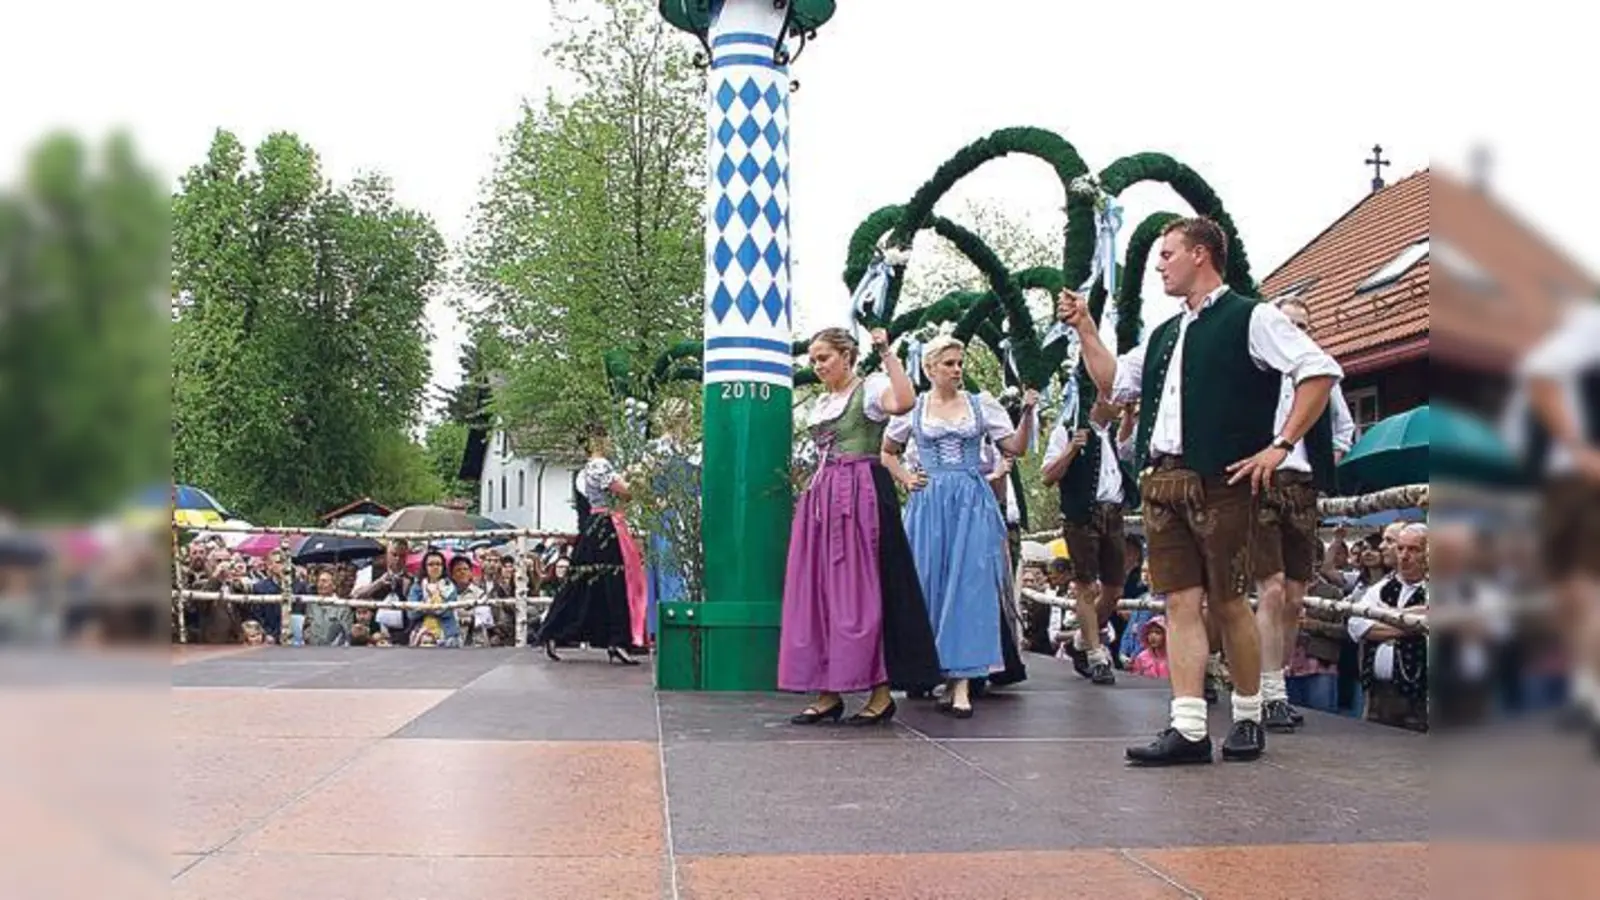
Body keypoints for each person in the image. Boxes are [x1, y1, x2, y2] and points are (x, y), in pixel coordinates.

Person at [1060, 215, 1341, 765]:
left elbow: (1319, 370)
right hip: (1164, 480)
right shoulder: (1166, 333)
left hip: (1226, 479)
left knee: (1230, 599)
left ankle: (1248, 713)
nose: (1160, 264)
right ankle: (1188, 726)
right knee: (1181, 600)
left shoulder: (1251, 317)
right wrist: (1087, 329)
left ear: (1201, 255)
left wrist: (1281, 444)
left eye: (1168, 253)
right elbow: (1114, 384)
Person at [779, 327, 940, 725]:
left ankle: (881, 692)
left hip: (860, 496)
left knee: (865, 591)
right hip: (821, 498)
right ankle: (828, 691)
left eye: (824, 357)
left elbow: (904, 402)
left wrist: (886, 351)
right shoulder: (822, 402)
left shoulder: (870, 389)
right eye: (813, 360)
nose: (817, 366)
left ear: (847, 356)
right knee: (820, 591)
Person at [881, 335, 1037, 717]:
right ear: (930, 368)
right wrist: (905, 478)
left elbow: (1013, 448)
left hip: (971, 498)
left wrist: (1028, 415)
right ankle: (938, 672)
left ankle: (964, 681)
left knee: (970, 586)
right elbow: (887, 451)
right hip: (930, 501)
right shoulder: (914, 408)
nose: (957, 369)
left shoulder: (981, 405)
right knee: (930, 584)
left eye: (959, 362)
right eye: (949, 363)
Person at [1254, 296, 1357, 732]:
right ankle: (1267, 690)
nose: (1296, 331)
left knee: (1296, 595)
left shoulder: (1320, 374)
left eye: (1303, 325)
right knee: (1271, 589)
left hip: (1301, 484)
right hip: (1261, 482)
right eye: (1289, 323)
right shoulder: (1257, 372)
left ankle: (1277, 682)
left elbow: (1345, 430)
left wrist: (1323, 462)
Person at [1514, 296, 1600, 751]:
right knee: (1573, 592)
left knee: (1583, 590)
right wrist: (1576, 445)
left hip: (1572, 479)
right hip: (1568, 478)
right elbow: (1542, 379)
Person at [1040, 397, 1139, 686]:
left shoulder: (1114, 432)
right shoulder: (1068, 431)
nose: (1120, 401)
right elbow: (1047, 476)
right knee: (1086, 585)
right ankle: (1096, 655)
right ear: (1096, 400)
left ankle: (1082, 639)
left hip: (1114, 514)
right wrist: (1071, 450)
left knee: (1115, 588)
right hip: (1083, 515)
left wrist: (1131, 420)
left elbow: (1129, 456)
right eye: (1113, 396)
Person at [535, 430, 644, 665]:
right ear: (598, 442)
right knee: (613, 581)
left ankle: (554, 630)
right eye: (606, 438)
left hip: (593, 526)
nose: (611, 442)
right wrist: (638, 476)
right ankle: (616, 639)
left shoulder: (585, 470)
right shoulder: (600, 465)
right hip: (605, 526)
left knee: (580, 579)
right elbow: (626, 492)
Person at [1348, 524, 1429, 731]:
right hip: (1380, 696)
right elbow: (1357, 625)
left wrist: (1386, 616)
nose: (1404, 556)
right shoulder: (1380, 589)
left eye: (1413, 549)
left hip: (1422, 699)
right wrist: (1414, 625)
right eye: (1400, 548)